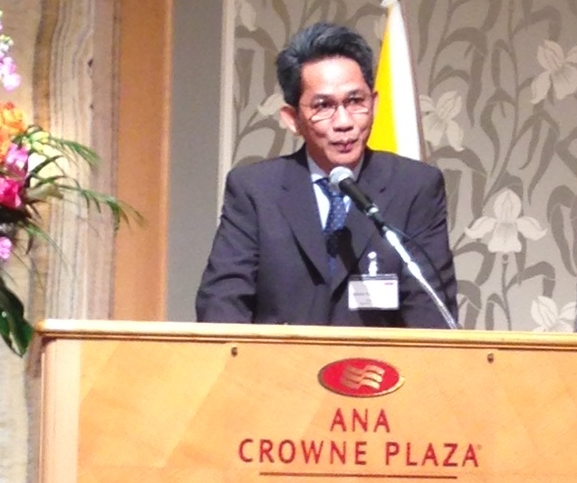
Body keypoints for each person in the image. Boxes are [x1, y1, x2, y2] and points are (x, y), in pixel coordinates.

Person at [195, 22, 458, 326]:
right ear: (293, 119)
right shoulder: (255, 190)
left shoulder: (414, 187)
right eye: (324, 106)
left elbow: (430, 312)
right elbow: (222, 302)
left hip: (375, 358)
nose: (344, 122)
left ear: (374, 104)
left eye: (355, 102)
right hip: (279, 357)